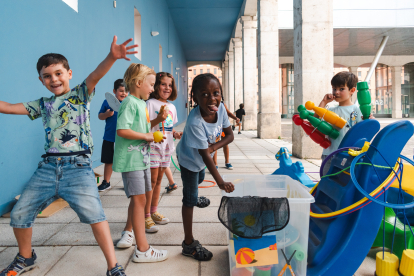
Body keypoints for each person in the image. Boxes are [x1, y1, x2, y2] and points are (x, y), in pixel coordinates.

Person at [0, 36, 137, 276]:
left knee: (96, 216)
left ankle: (113, 266)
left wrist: (112, 57)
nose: (54, 79)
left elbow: (96, 75)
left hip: (78, 167)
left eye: (58, 73)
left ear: (69, 73)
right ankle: (25, 257)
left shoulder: (80, 95)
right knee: (20, 212)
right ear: (41, 80)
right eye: (47, 76)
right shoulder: (42, 105)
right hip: (48, 167)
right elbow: (10, 107)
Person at [112, 63, 168, 263]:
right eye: (151, 85)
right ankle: (142, 249)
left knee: (140, 200)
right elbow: (122, 130)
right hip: (131, 159)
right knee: (139, 200)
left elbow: (143, 126)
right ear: (138, 83)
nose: (153, 89)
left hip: (141, 159)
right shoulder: (129, 102)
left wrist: (157, 121)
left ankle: (129, 231)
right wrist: (147, 136)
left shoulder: (140, 103)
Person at [176, 73, 235, 261]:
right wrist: (220, 182)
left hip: (201, 158)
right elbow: (205, 156)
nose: (212, 99)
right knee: (189, 198)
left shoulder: (221, 109)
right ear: (195, 98)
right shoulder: (195, 122)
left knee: (200, 179)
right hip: (189, 160)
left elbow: (229, 136)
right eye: (205, 94)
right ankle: (188, 244)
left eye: (216, 93)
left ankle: (195, 196)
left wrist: (213, 147)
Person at [145, 72, 182, 230]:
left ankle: (154, 211)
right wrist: (158, 119)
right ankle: (145, 215)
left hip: (166, 147)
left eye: (170, 85)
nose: (167, 88)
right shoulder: (150, 103)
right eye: (163, 84)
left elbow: (170, 126)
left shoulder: (172, 107)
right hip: (153, 146)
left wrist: (174, 133)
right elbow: (145, 126)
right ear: (156, 86)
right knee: (151, 182)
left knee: (159, 181)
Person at [319, 71, 373, 174]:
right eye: (334, 89)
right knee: (325, 180)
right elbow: (315, 121)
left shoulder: (357, 110)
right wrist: (324, 102)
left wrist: (370, 120)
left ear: (352, 90)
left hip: (349, 155)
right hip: (330, 153)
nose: (336, 92)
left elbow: (365, 129)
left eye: (341, 89)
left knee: (344, 182)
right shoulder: (331, 110)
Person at [97, 79, 128, 192]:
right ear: (114, 91)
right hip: (109, 136)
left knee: (125, 160)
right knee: (108, 160)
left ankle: (128, 183)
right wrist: (106, 114)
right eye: (121, 91)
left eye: (126, 91)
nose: (124, 93)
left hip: (124, 138)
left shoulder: (128, 103)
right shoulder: (107, 102)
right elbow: (100, 116)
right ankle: (106, 182)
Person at [213, 103, 239, 170]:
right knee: (215, 144)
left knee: (225, 144)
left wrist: (235, 118)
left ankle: (227, 162)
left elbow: (228, 113)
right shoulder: (210, 104)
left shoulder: (222, 105)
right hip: (216, 127)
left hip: (223, 127)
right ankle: (215, 163)